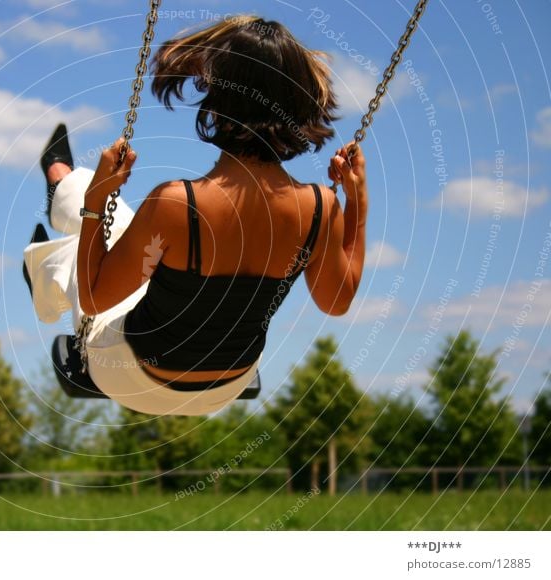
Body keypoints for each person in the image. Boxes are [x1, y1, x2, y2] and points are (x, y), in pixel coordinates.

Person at [23, 16, 367, 416]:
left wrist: (100, 196)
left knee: (78, 245)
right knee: (120, 226)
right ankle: (62, 181)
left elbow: (96, 298)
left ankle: (57, 212)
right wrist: (357, 203)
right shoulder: (322, 207)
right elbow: (337, 301)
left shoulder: (176, 204)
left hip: (132, 376)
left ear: (217, 106)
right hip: (228, 384)